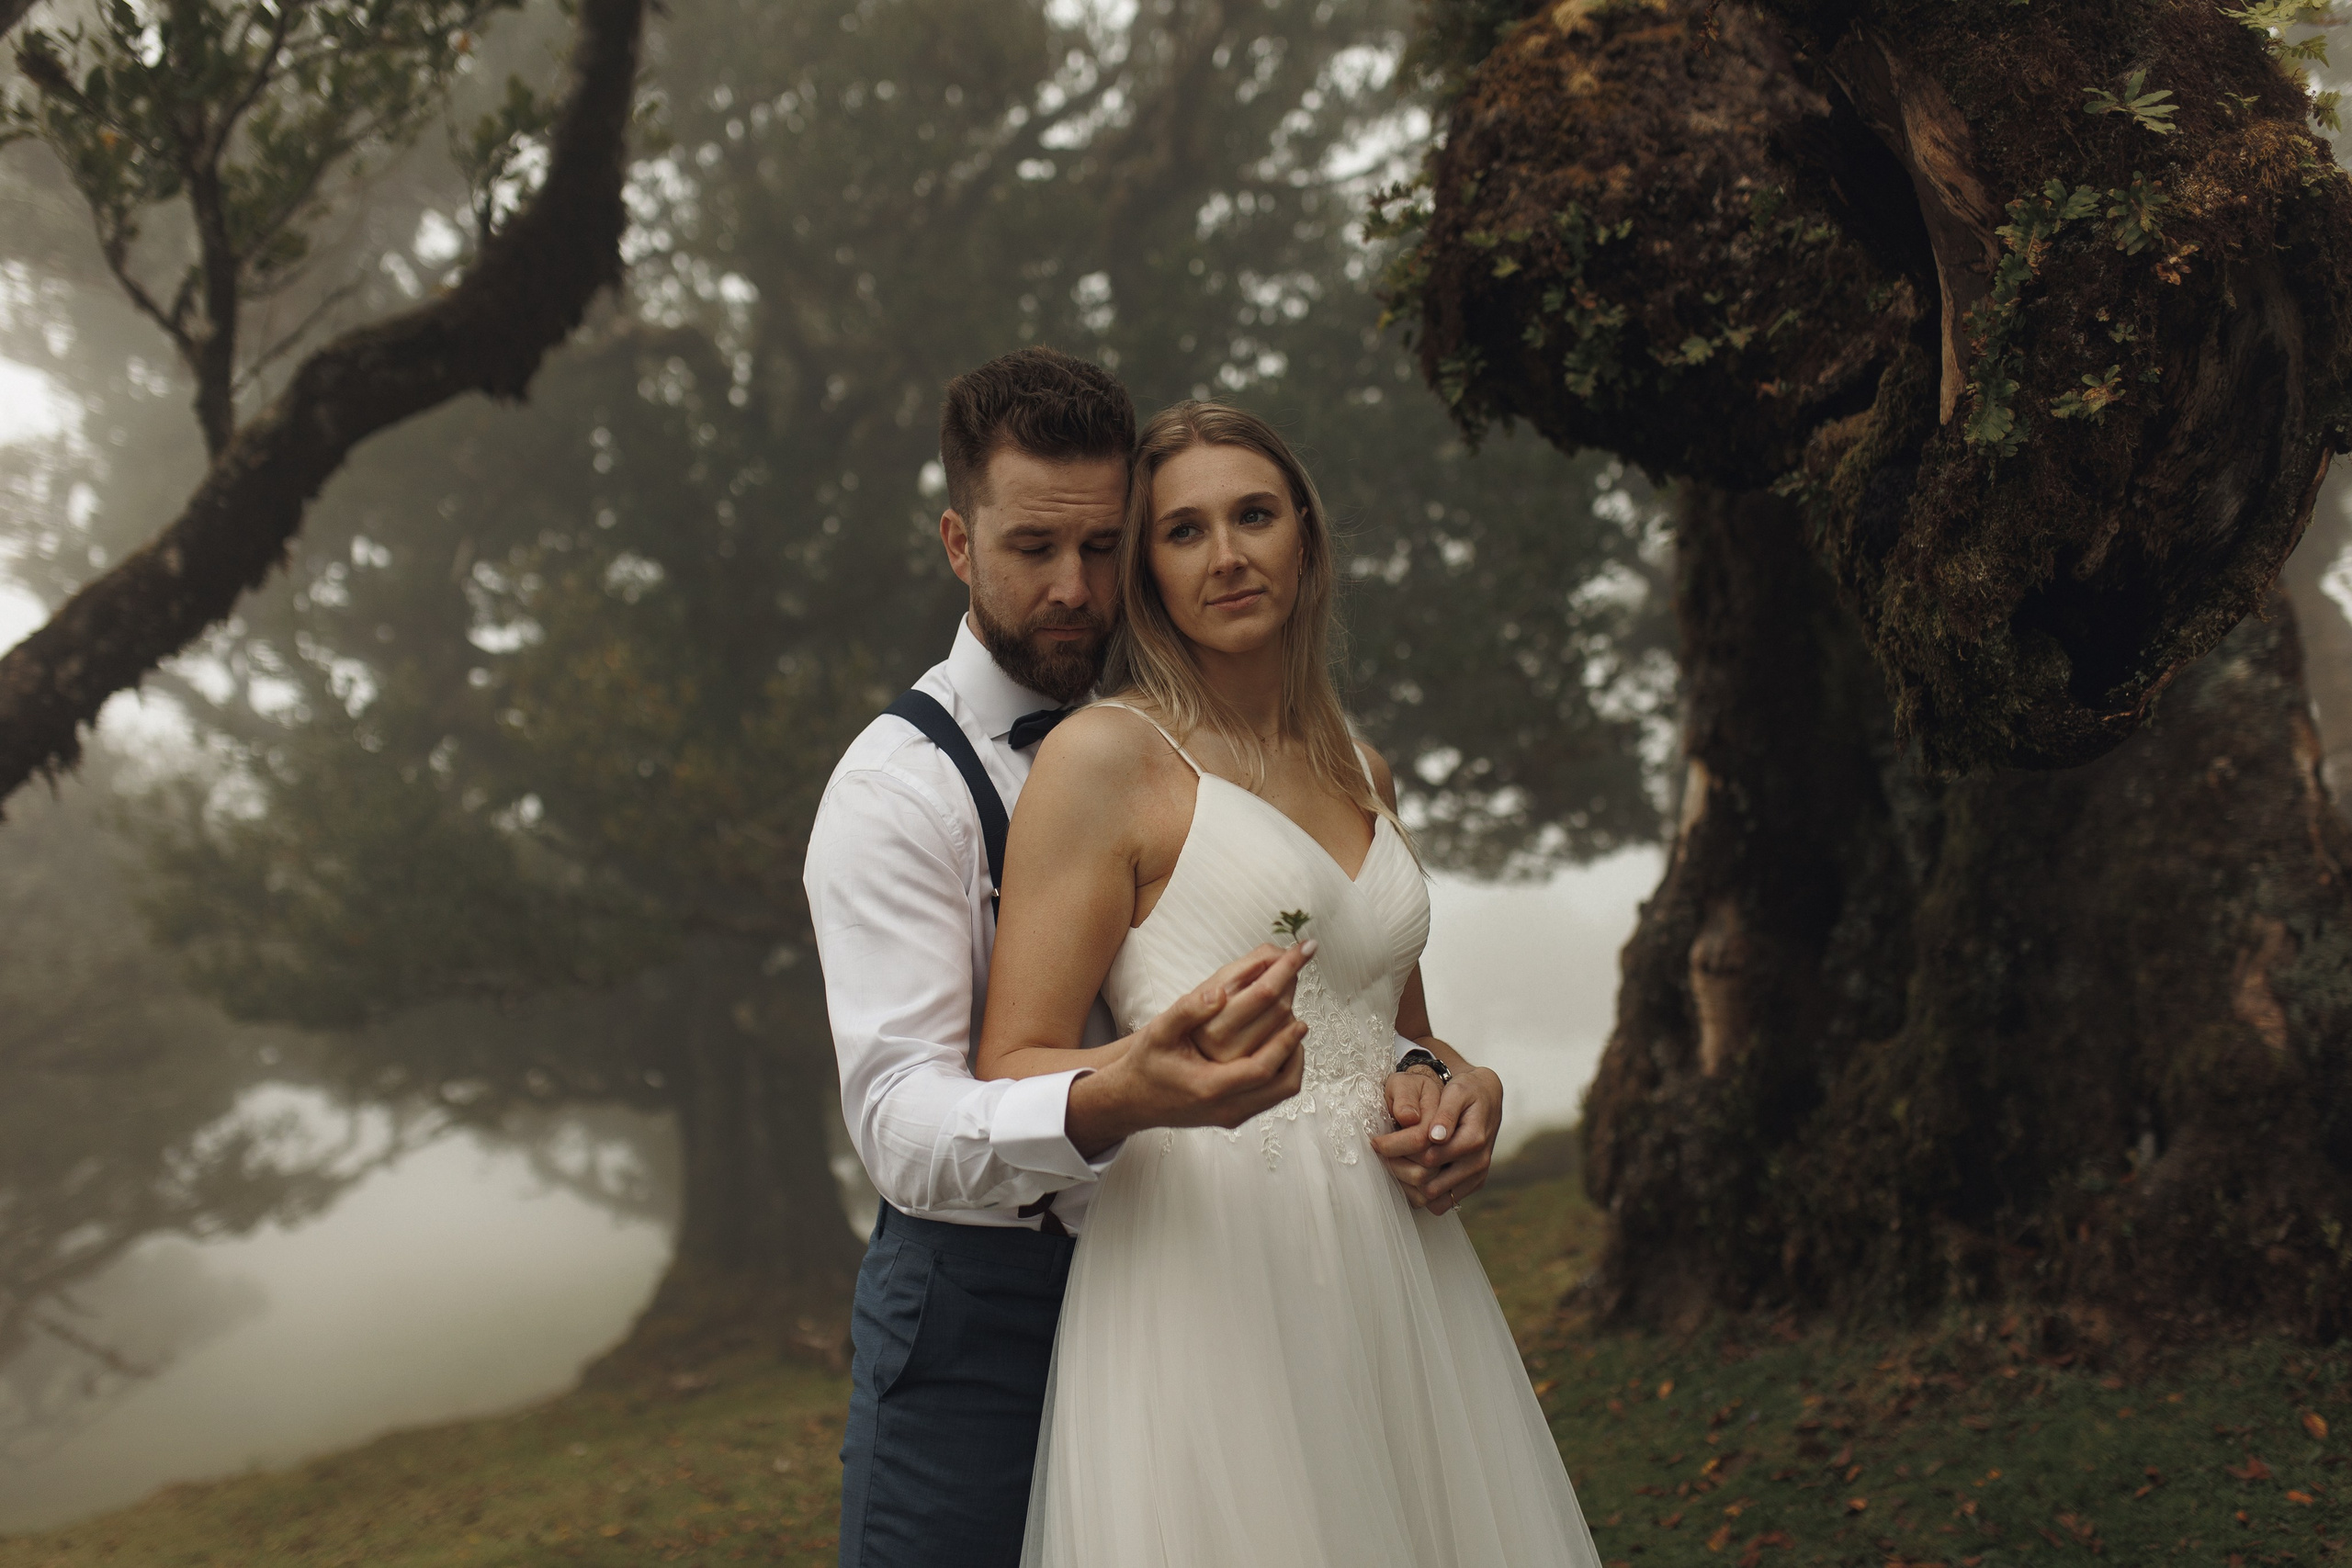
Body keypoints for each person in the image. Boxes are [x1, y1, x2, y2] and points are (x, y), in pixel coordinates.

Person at [803, 350, 1506, 1568]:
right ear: (960, 544)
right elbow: (899, 1119)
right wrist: (1117, 1092)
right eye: (1034, 549)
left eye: (1102, 547)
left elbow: (1362, 1009)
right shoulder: (895, 790)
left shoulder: (1257, 752)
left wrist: (1447, 1077)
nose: (1076, 587)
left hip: (1282, 1267)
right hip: (988, 1299)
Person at [976, 400, 1600, 1566]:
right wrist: (1145, 1078)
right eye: (1181, 531)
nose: (1226, 556)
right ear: (1147, 573)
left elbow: (1400, 1033)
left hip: (1399, 1262)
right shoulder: (1105, 758)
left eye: (1254, 515)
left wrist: (1465, 1088)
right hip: (1212, 1251)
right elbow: (1007, 1064)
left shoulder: (1361, 764)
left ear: (1305, 535)